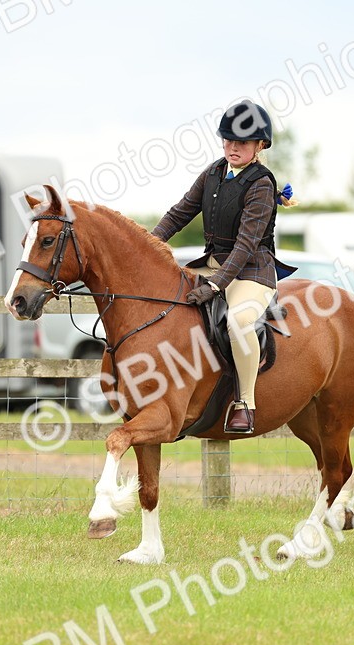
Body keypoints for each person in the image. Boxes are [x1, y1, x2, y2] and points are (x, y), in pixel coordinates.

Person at [151, 100, 296, 434]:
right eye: (228, 139)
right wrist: (147, 246)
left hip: (252, 273)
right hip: (213, 266)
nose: (233, 147)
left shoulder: (261, 184)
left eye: (242, 142)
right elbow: (180, 213)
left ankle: (245, 402)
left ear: (260, 145)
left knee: (240, 322)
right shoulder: (214, 172)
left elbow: (246, 244)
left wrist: (215, 285)